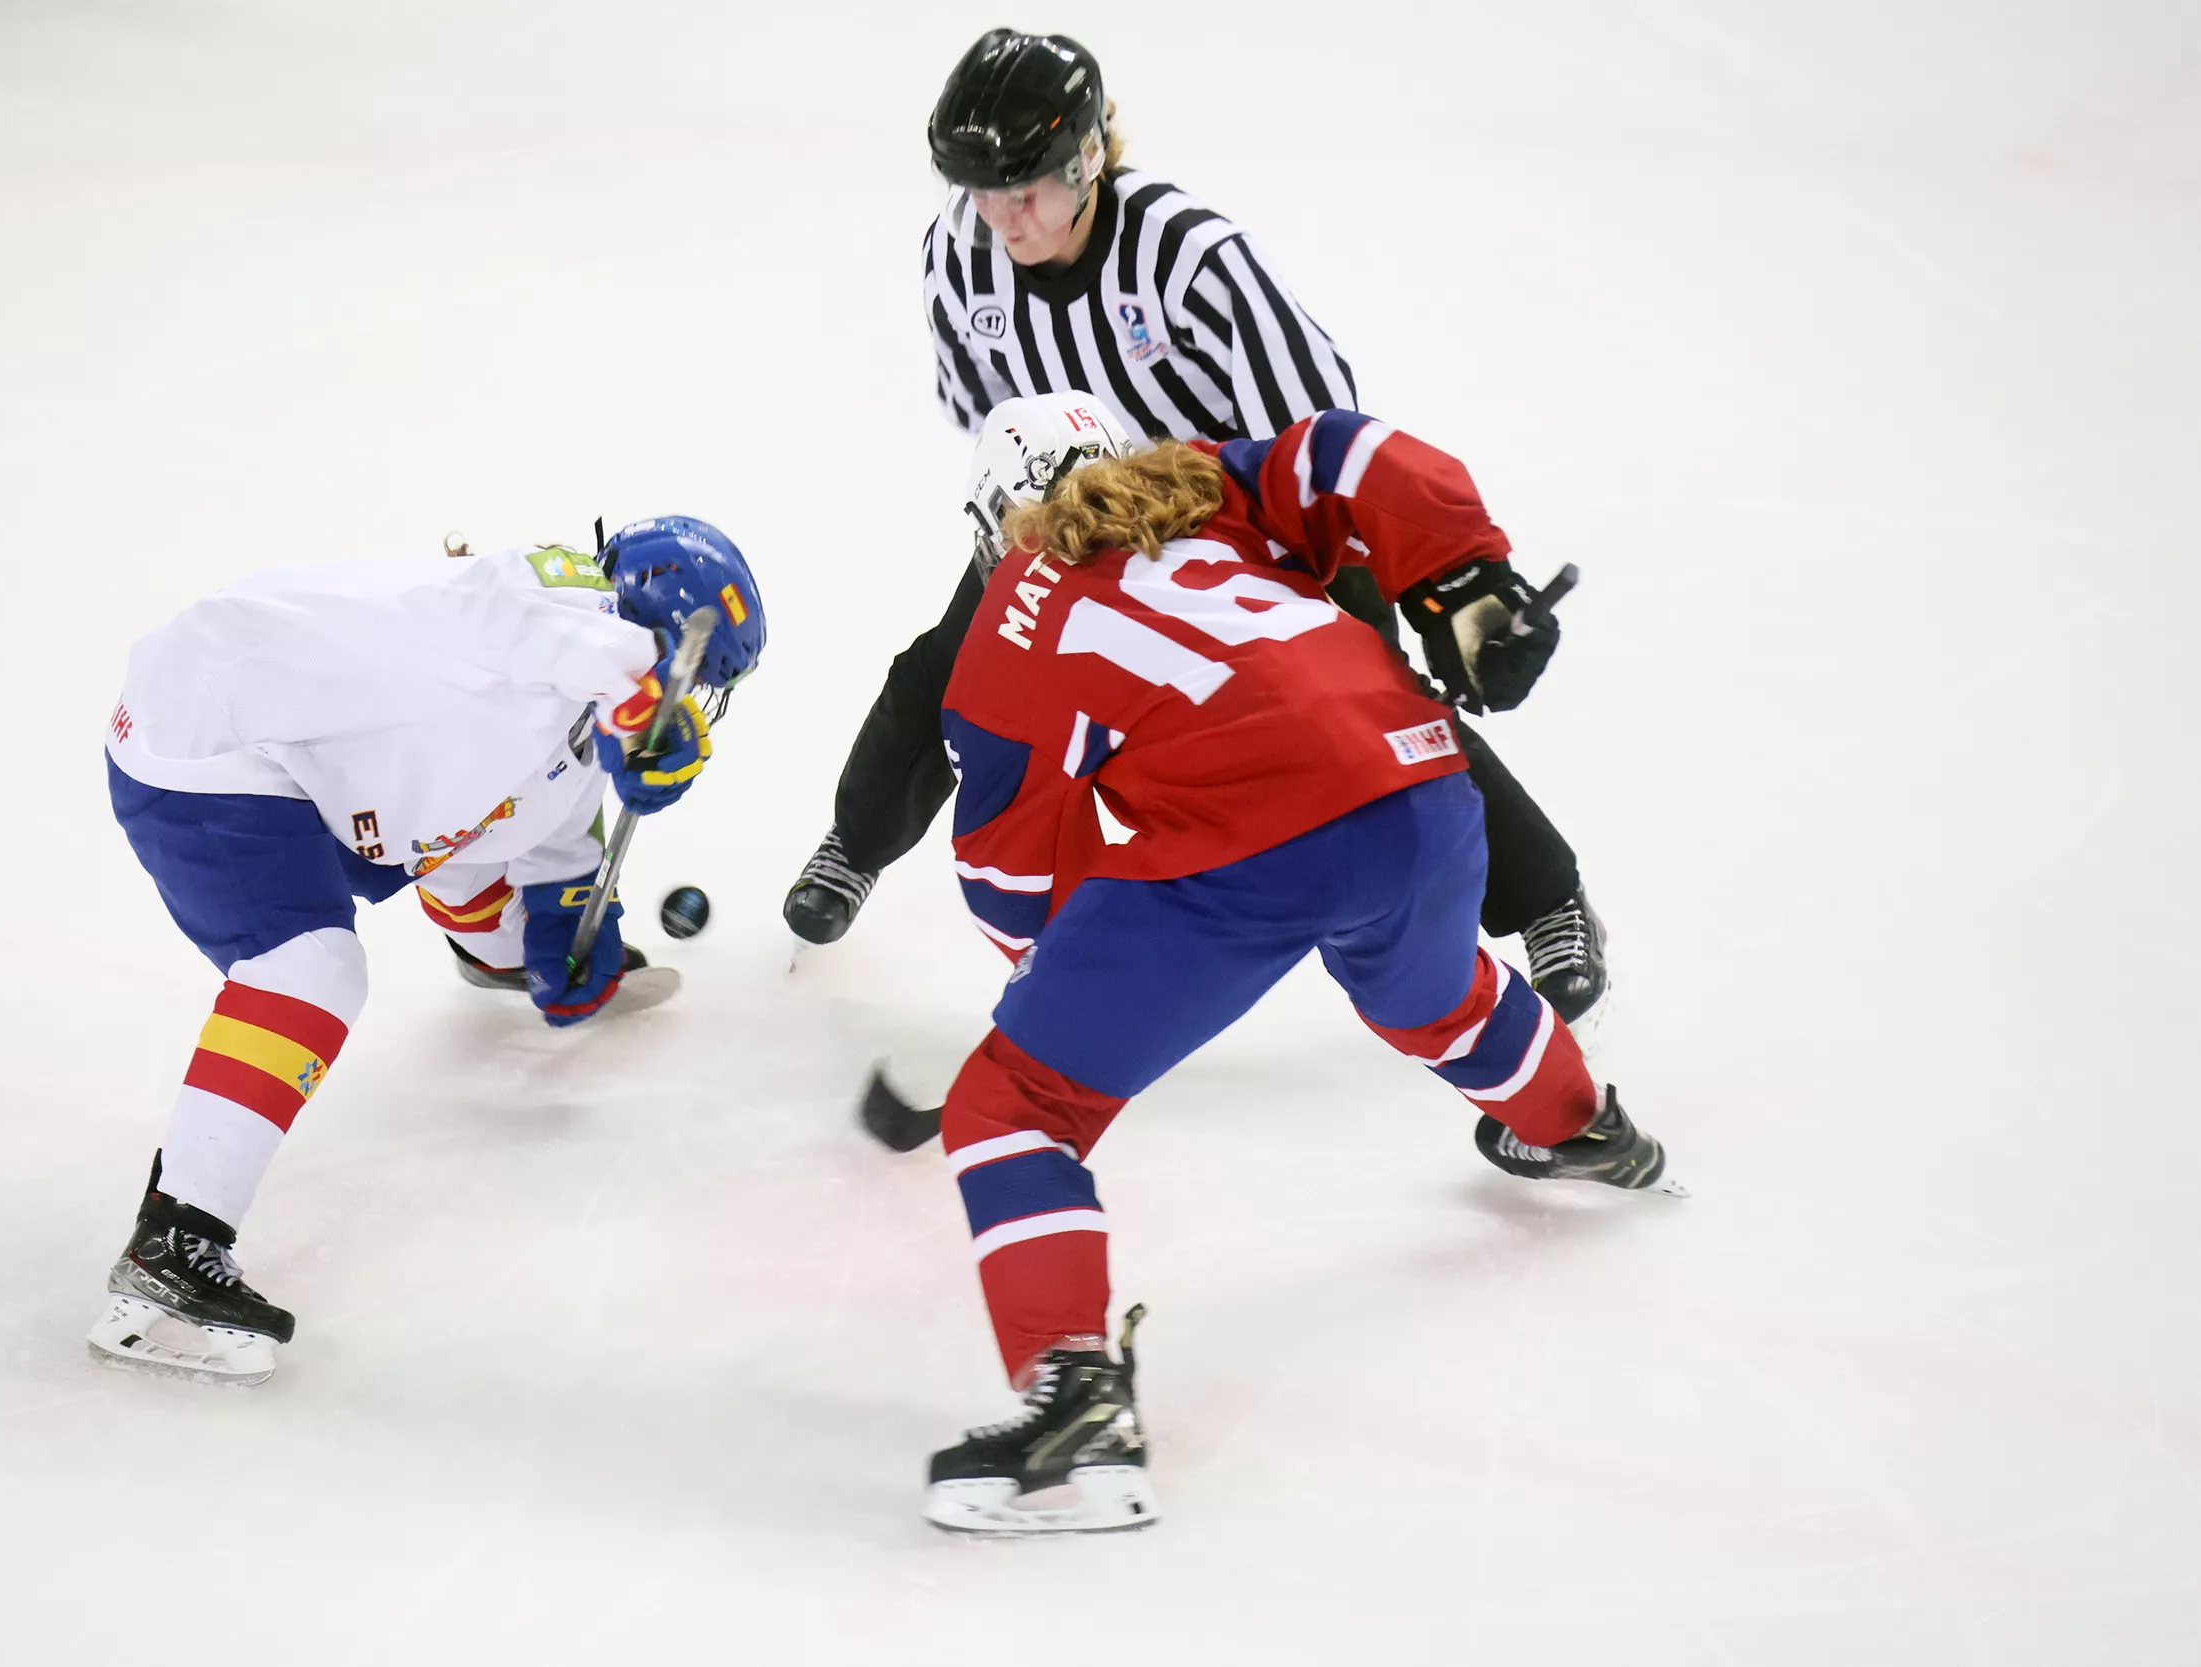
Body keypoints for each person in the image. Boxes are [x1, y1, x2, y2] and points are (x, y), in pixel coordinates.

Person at [913, 393, 1677, 1535]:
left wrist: (1049, 999)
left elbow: (1009, 877)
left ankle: (1075, 1402)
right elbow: (1354, 449)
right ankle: (1579, 1126)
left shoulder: (1007, 623)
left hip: (1260, 842)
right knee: (1430, 990)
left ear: (993, 518)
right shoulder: (1202, 483)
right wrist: (1464, 577)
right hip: (1424, 782)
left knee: (1014, 1104)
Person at [785, 28, 1610, 1038]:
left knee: (1375, 715)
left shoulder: (1189, 257)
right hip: (1077, 512)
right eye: (980, 190)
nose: (1003, 216)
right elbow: (990, 419)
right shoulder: (958, 251)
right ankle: (854, 842)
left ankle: (1547, 898)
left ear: (1087, 156)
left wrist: (1418, 585)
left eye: (1027, 188)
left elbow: (1322, 430)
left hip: (1236, 512)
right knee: (945, 670)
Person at [88, 520, 766, 1385]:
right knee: (311, 971)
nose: (688, 699)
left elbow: (546, 816)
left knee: (476, 837)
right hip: (203, 735)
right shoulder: (540, 600)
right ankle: (172, 1249)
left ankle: (490, 947)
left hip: (303, 760)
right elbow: (509, 611)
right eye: (686, 674)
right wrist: (634, 689)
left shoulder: (585, 706)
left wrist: (565, 917)